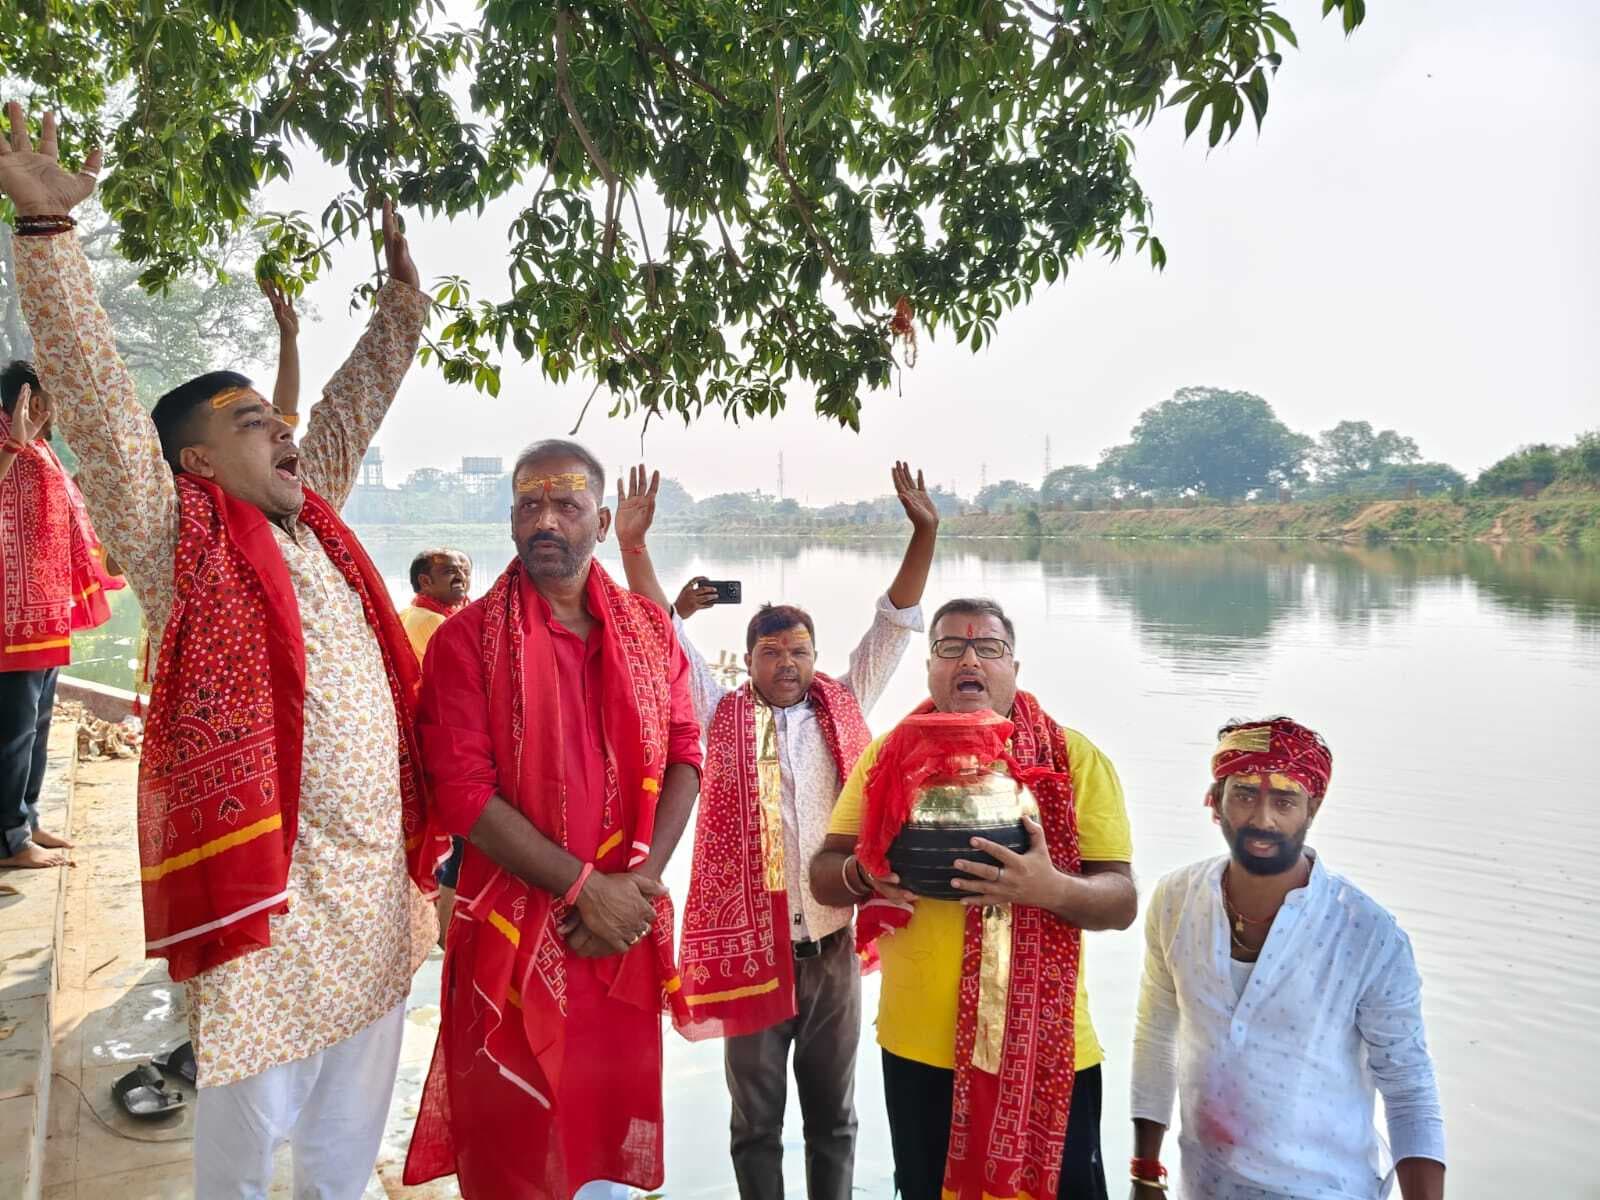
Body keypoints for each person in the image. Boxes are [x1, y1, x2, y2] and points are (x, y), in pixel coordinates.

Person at [0, 102, 450, 1197]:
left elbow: (341, 413)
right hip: (270, 909)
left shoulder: (319, 529)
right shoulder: (180, 538)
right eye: (254, 420)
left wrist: (402, 307)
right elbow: (104, 416)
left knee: (345, 1156)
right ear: (196, 463)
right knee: (247, 1164)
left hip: (376, 903)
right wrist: (50, 241)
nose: (286, 430)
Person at [615, 462, 939, 1200]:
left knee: (836, 1120)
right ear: (751, 660)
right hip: (748, 954)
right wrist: (635, 547)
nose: (786, 664)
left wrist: (924, 533)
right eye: (771, 653)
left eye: (798, 652)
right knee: (754, 1124)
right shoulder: (718, 710)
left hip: (830, 951)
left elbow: (894, 622)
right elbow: (665, 633)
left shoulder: (847, 702)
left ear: (815, 658)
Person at [403, 439, 705, 1200]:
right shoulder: (464, 640)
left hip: (616, 936)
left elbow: (685, 753)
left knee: (600, 1140)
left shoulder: (648, 629)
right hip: (518, 928)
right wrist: (585, 890)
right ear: (510, 520)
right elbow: (462, 794)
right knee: (514, 1141)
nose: (546, 520)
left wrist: (637, 886)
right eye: (530, 504)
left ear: (601, 521)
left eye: (566, 505)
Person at [811, 597, 1137, 1200]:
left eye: (989, 648)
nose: (970, 659)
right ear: (930, 667)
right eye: (950, 647)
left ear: (1014, 665)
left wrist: (1050, 887)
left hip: (1049, 1047)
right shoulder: (886, 758)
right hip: (919, 1049)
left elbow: (1119, 901)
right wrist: (863, 874)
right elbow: (825, 871)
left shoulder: (1073, 759)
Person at [1127, 717, 1446, 1200]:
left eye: (1284, 800)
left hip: (1327, 1188)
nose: (1263, 819)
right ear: (1215, 802)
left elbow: (1408, 1090)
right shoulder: (1176, 899)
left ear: (1312, 809)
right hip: (1204, 1184)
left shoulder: (1367, 934)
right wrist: (1145, 1173)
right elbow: (1156, 1037)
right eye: (1244, 795)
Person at [1, 361, 121, 868]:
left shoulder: (41, 446)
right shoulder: (11, 440)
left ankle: (27, 817)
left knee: (37, 721)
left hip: (46, 606)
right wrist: (13, 443)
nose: (54, 409)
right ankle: (8, 839)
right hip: (10, 611)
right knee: (12, 728)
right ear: (27, 397)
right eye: (47, 397)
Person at [399, 547, 472, 665]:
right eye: (450, 571)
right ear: (425, 581)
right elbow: (462, 668)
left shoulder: (409, 611)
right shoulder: (433, 620)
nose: (462, 577)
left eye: (464, 571)